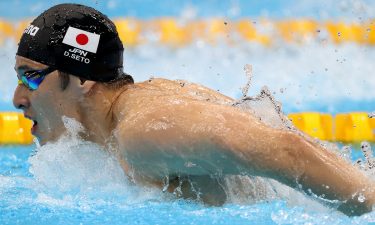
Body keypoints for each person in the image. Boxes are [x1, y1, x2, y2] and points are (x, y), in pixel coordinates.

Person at [12, 3, 374, 216]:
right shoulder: (135, 113)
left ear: (82, 79)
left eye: (30, 77)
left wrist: (368, 205)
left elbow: (286, 149)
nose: (17, 98)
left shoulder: (144, 131)